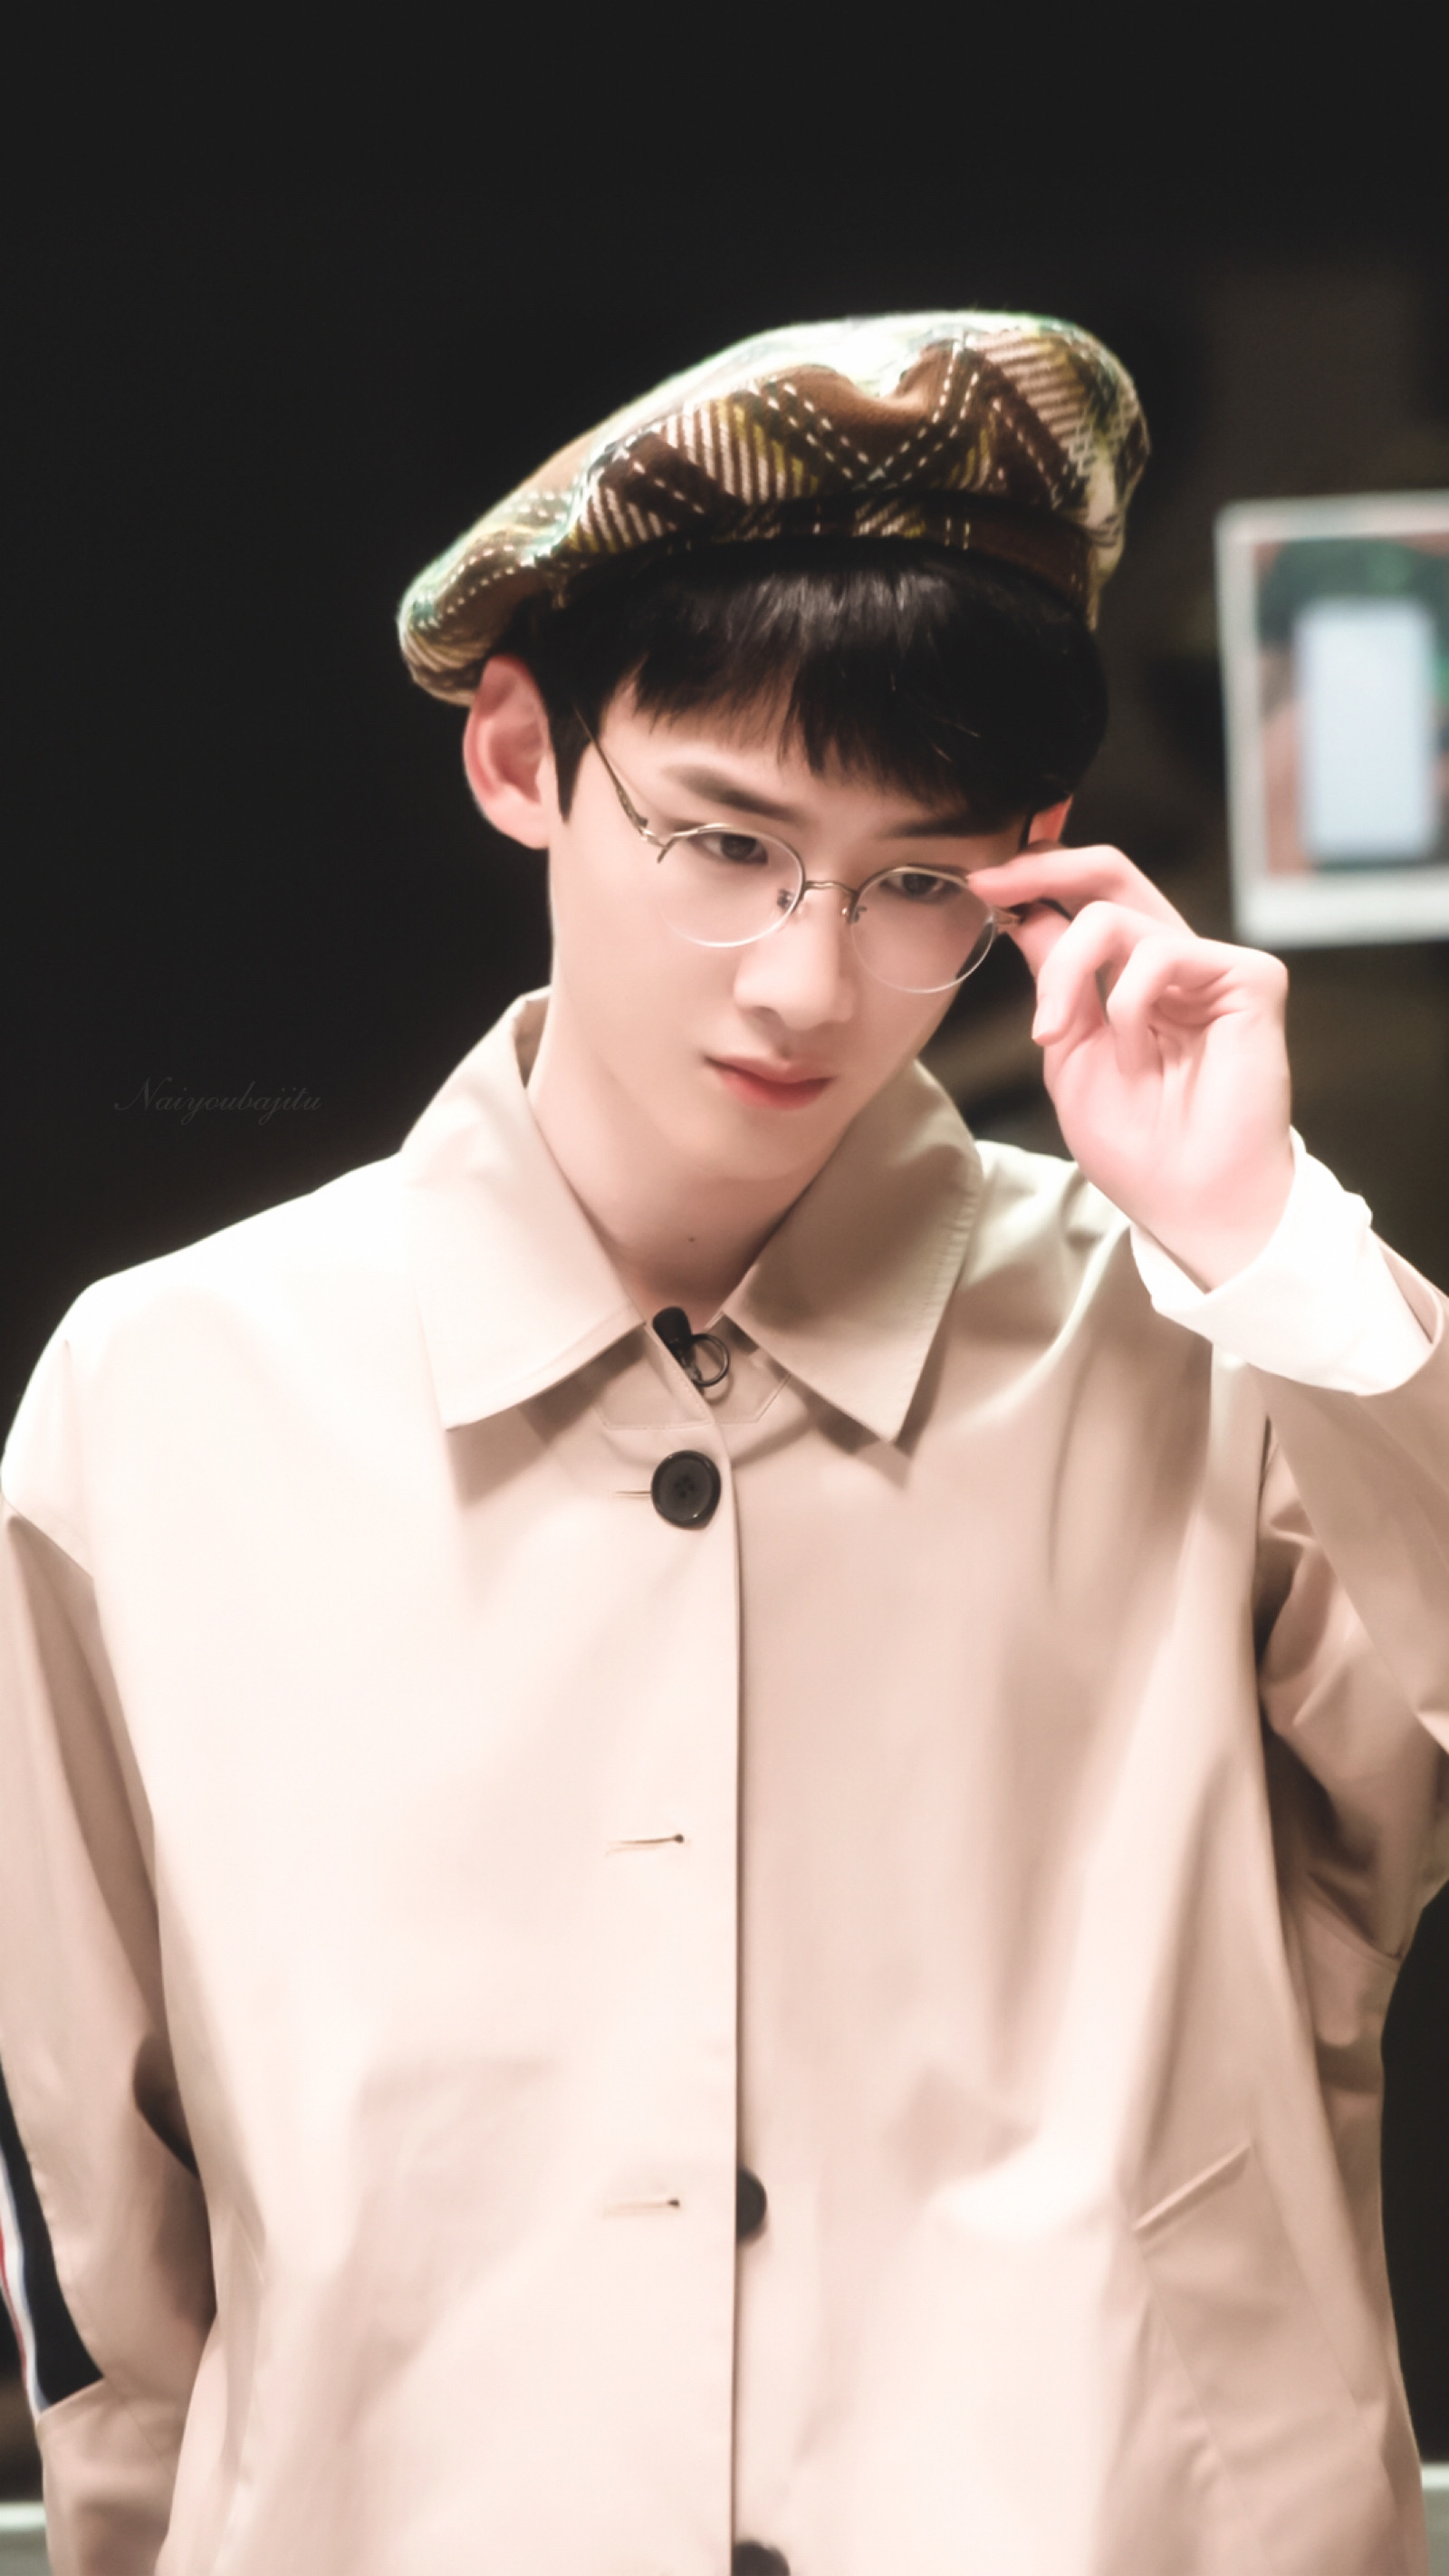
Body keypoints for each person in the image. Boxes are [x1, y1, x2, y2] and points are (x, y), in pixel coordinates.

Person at [1, 312, 1445, 2576]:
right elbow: (102, 2227)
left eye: (916, 881)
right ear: (519, 755)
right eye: (722, 841)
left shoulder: (1209, 1345)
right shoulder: (171, 1396)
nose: (802, 979)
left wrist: (1267, 1244)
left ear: (1032, 866)